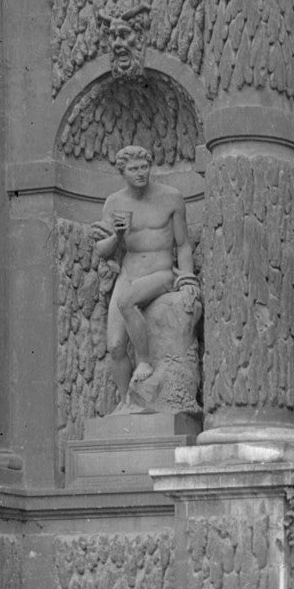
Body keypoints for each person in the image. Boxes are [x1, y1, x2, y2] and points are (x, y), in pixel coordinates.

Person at [91, 145, 199, 404]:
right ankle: (125, 403)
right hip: (129, 274)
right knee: (115, 346)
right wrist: (117, 236)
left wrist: (187, 278)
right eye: (133, 169)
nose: (140, 173)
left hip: (160, 273)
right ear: (123, 173)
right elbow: (102, 251)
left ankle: (144, 361)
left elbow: (183, 245)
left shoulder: (171, 198)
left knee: (126, 301)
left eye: (144, 167)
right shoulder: (114, 203)